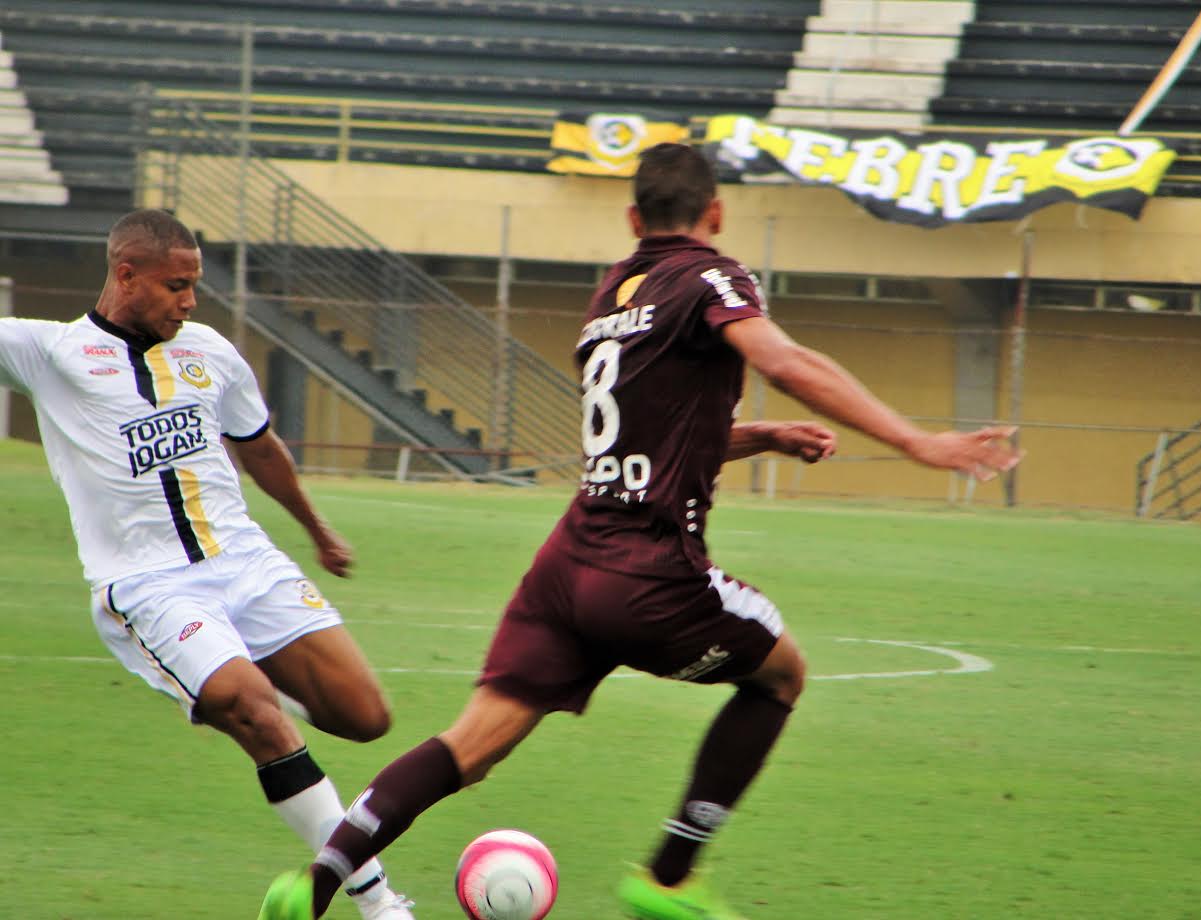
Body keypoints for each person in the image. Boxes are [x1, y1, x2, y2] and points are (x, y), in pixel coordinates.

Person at [257, 143, 1022, 920]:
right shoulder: (711, 276)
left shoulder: (611, 295)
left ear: (632, 219)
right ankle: (668, 876)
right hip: (649, 571)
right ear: (715, 212)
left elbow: (650, 436)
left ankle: (314, 884)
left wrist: (760, 437)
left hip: (566, 569)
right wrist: (917, 442)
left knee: (472, 743)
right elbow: (784, 361)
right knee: (781, 675)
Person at [0, 209, 417, 920]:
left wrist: (317, 530)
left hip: (247, 562)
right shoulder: (51, 353)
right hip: (152, 586)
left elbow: (259, 448)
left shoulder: (211, 352)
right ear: (126, 275)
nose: (191, 301)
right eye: (177, 286)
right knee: (256, 715)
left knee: (365, 716)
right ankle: (378, 902)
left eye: (194, 285)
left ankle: (232, 684)